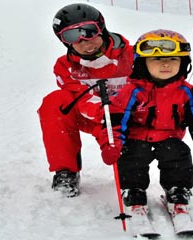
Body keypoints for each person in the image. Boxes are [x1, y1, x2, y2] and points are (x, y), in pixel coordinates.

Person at [99, 29, 193, 223]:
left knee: (178, 154)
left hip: (169, 138)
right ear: (142, 63)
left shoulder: (187, 92)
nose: (166, 64)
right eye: (157, 59)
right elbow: (116, 118)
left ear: (183, 63)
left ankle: (177, 190)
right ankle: (133, 190)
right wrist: (111, 143)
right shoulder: (133, 91)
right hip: (137, 139)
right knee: (133, 157)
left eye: (173, 59)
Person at [38, 3, 134, 197]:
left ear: (102, 29)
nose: (85, 42)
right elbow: (79, 98)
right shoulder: (65, 66)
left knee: (130, 160)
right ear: (64, 41)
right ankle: (66, 171)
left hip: (130, 117)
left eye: (90, 32)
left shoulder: (132, 56)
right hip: (95, 116)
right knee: (54, 103)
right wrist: (105, 119)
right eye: (73, 37)